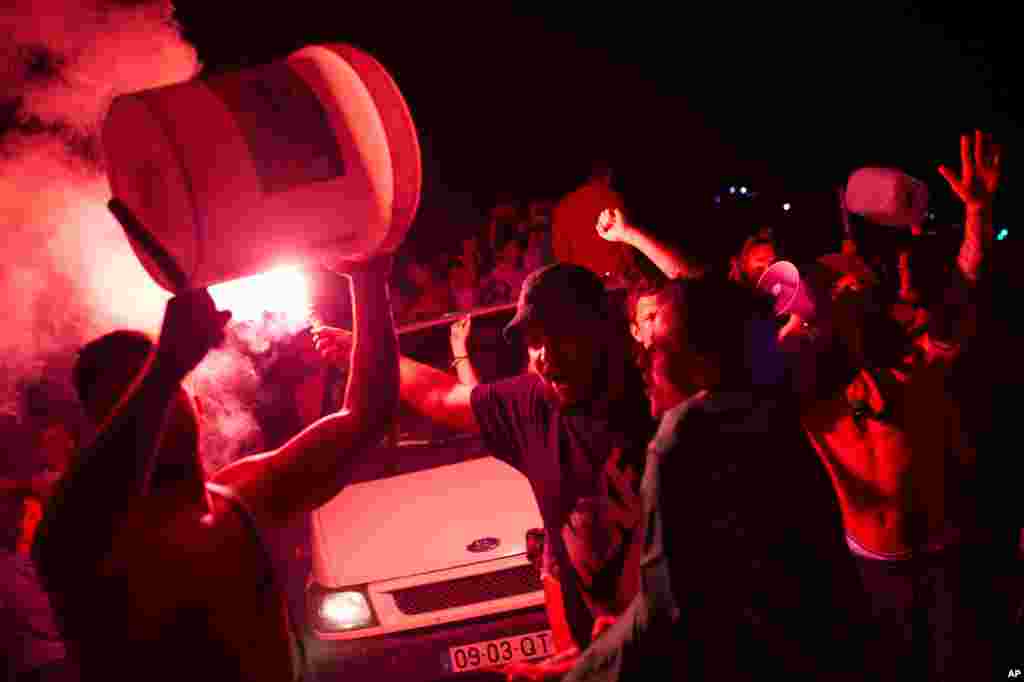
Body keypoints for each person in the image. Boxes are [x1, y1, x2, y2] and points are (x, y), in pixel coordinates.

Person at [32, 203, 399, 682]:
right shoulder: (83, 540)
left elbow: (365, 418)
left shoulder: (244, 496)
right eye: (128, 399)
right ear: (105, 430)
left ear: (198, 404)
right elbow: (75, 518)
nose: (158, 407)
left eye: (168, 390)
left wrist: (369, 281)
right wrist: (164, 367)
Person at [314, 263, 656, 659]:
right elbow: (440, 395)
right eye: (534, 341)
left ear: (599, 329)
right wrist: (361, 346)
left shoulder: (657, 397)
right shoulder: (532, 405)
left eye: (561, 336)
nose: (545, 357)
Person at [554, 277, 875, 682]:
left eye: (656, 349)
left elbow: (665, 611)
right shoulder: (770, 407)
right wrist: (610, 644)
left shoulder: (683, 438)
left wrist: (584, 672)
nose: (641, 360)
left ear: (704, 363)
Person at [800, 130, 1008, 680]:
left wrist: (978, 214)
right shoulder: (801, 385)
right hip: (868, 572)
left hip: (946, 560)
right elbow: (705, 316)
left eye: (855, 283)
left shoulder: (913, 361)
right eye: (835, 285)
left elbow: (966, 285)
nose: (848, 287)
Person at [2, 489, 78, 681]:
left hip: (59, 656)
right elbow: (33, 613)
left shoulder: (43, 561)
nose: (37, 522)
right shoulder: (6, 565)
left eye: (39, 516)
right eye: (31, 516)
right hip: (36, 661)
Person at [552, 161, 635, 286]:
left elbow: (561, 253)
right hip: (614, 280)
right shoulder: (613, 198)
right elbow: (627, 245)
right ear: (607, 175)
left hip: (582, 283)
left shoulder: (563, 206)